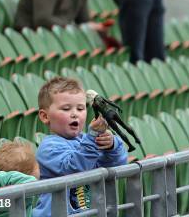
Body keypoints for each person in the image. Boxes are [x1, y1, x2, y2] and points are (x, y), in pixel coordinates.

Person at [33, 77, 127, 216]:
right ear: (45, 116)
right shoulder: (48, 147)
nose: (74, 114)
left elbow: (118, 165)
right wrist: (92, 137)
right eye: (66, 108)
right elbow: (75, 169)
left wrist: (111, 146)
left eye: (80, 108)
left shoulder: (88, 140)